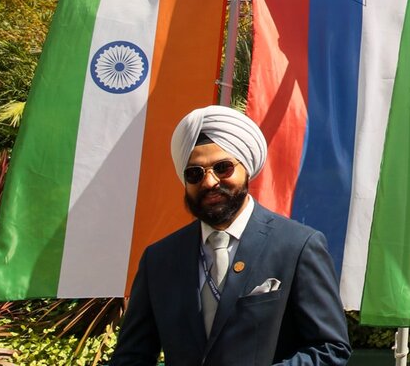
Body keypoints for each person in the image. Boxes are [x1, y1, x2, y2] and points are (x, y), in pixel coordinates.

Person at [110, 106, 352, 366]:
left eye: (222, 167)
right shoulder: (159, 259)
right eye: (195, 173)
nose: (209, 182)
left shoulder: (297, 246)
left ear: (245, 168)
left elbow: (330, 347)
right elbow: (131, 356)